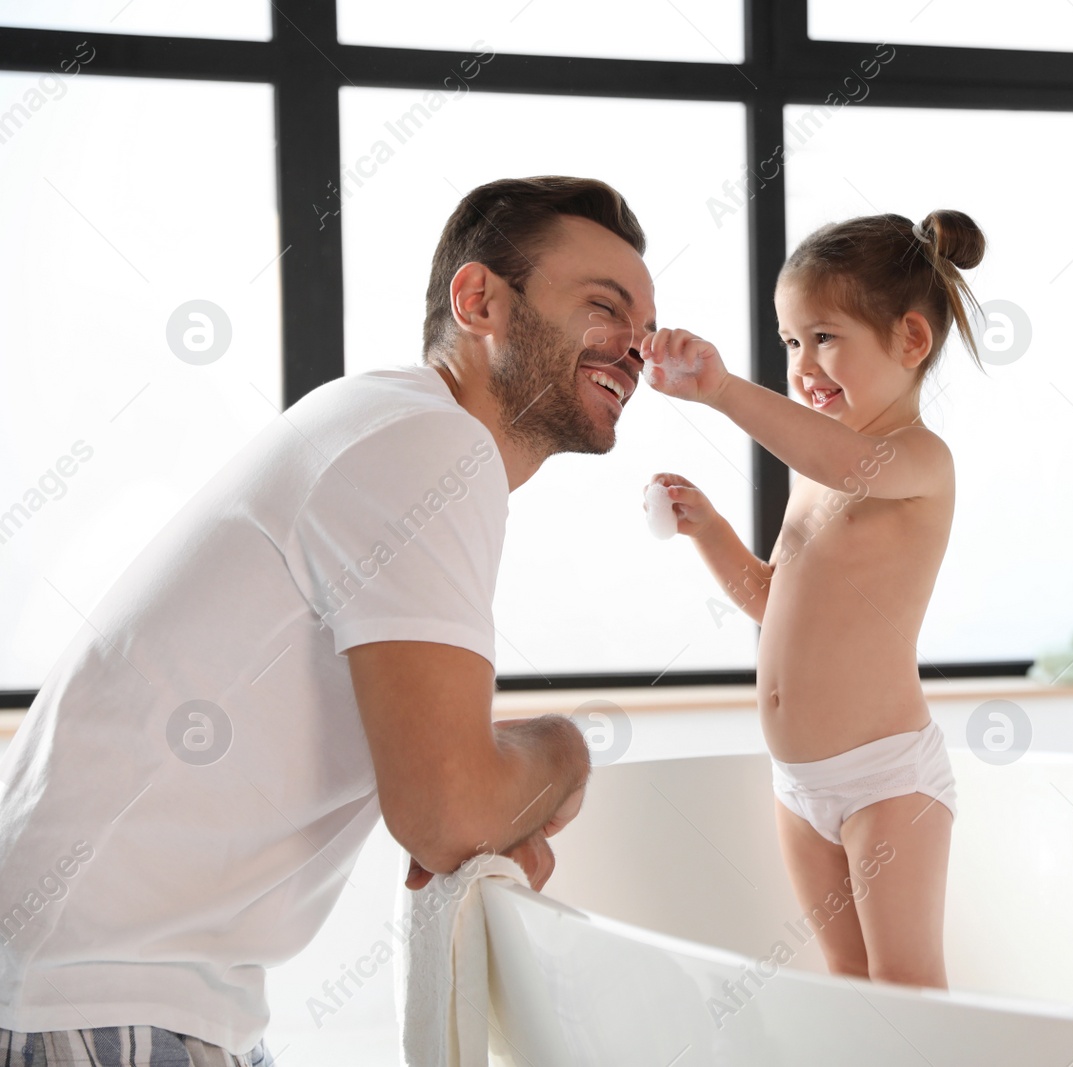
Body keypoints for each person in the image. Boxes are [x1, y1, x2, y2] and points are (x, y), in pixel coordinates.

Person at [0, 176, 653, 1063]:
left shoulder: (383, 423)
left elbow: (443, 789)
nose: (635, 349)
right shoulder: (429, 445)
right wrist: (564, 754)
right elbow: (448, 808)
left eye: (645, 331)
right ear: (479, 300)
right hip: (102, 997)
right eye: (604, 309)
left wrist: (482, 798)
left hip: (102, 986)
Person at [640, 209, 986, 988]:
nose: (802, 363)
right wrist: (710, 530)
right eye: (791, 341)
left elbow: (845, 463)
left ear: (910, 340)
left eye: (824, 337)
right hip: (799, 783)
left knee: (904, 979)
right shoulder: (814, 472)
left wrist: (724, 390)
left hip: (887, 779)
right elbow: (774, 600)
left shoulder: (918, 463)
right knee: (843, 971)